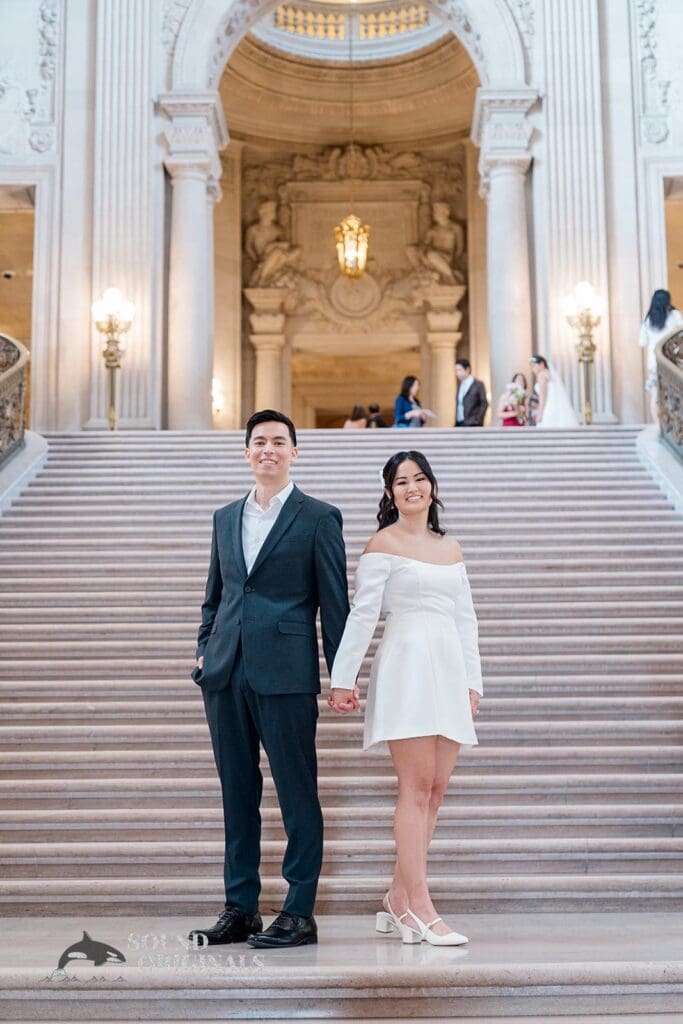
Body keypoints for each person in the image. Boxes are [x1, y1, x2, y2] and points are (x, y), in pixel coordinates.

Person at [188, 410, 350, 949]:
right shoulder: (224, 517)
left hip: (286, 674)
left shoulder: (319, 517)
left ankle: (299, 912)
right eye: (259, 442)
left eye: (279, 442)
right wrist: (205, 650)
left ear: (294, 452)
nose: (268, 450)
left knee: (297, 793)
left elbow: (335, 605)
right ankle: (241, 908)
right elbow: (215, 596)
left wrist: (341, 675)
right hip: (225, 672)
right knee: (237, 793)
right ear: (246, 452)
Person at [329, 450, 482, 947]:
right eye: (401, 481)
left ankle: (397, 896)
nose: (412, 487)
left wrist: (473, 681)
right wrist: (343, 678)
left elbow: (466, 620)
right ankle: (419, 906)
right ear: (389, 492)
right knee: (414, 788)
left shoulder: (451, 547)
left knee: (435, 789)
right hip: (406, 667)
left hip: (450, 669)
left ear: (431, 486)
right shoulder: (383, 543)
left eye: (419, 479)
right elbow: (362, 614)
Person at [639, 289, 683, 422]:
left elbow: (642, 342)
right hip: (671, 362)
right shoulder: (674, 315)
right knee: (676, 394)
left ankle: (658, 425)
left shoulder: (648, 320)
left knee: (655, 395)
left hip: (654, 363)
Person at [529, 354, 579, 428]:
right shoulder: (550, 374)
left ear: (541, 364)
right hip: (556, 406)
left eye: (534, 366)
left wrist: (540, 413)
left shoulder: (541, 375)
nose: (532, 369)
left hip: (548, 408)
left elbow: (543, 396)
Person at [454, 359, 488, 427]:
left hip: (473, 423)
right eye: (456, 371)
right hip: (459, 423)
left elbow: (484, 403)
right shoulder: (460, 385)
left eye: (459, 370)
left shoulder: (478, 385)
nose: (457, 373)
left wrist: (477, 420)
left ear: (467, 369)